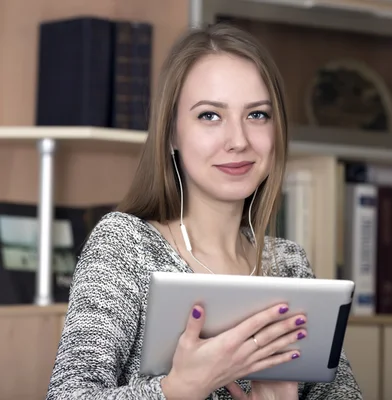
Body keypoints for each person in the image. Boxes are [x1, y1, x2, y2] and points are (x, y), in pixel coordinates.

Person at [46, 22, 363, 400]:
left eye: (257, 115)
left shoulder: (289, 264)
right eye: (210, 115)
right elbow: (67, 394)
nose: (238, 141)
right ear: (172, 133)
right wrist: (179, 389)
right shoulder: (126, 245)